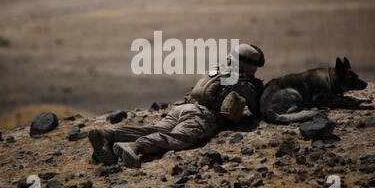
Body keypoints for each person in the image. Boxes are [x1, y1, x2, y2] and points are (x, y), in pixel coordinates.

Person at [88, 43, 265, 168]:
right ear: (249, 65)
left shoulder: (216, 69)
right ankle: (134, 148)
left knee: (153, 128)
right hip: (202, 117)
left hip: (182, 108)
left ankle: (107, 134)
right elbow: (258, 110)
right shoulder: (244, 84)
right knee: (178, 138)